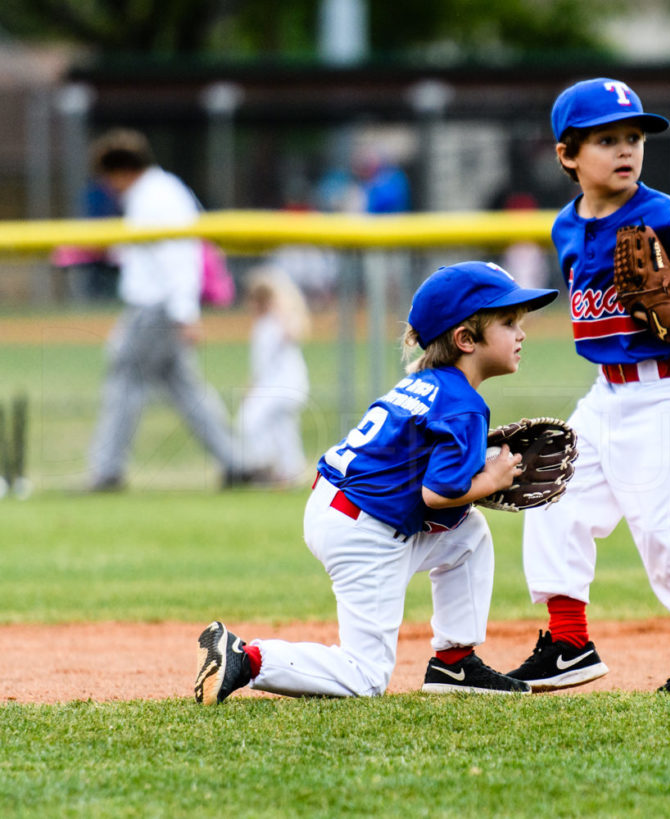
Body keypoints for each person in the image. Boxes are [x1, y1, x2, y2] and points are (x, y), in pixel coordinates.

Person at [194, 261, 558, 704]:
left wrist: (474, 475)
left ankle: (456, 663)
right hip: (364, 531)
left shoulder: (423, 383)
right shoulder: (463, 405)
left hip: (340, 507)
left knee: (468, 536)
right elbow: (437, 492)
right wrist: (492, 477)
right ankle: (248, 659)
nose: (521, 333)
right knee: (365, 677)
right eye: (507, 322)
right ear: (465, 339)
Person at [504, 78, 670, 693]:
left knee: (659, 521)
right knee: (552, 495)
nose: (625, 150)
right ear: (567, 154)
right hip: (606, 392)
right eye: (606, 140)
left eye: (634, 138)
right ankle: (568, 642)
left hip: (668, 390)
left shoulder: (665, 215)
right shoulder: (565, 227)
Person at [87, 129, 252, 491]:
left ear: (122, 169)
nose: (107, 185)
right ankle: (237, 462)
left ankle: (107, 471)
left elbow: (179, 257)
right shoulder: (158, 191)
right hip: (161, 306)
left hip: (155, 307)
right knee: (184, 388)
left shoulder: (155, 196)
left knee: (124, 381)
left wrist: (184, 314)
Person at [236, 268, 312, 487]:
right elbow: (261, 366)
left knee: (250, 420)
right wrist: (250, 385)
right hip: (272, 386)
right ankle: (290, 471)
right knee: (282, 428)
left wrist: (280, 304)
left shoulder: (278, 322)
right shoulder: (261, 326)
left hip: (287, 386)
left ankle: (265, 467)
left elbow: (294, 332)